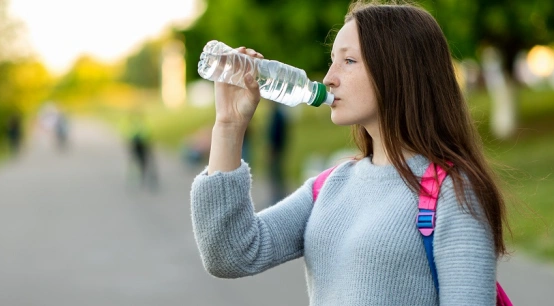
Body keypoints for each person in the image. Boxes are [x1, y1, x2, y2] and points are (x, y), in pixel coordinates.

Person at [189, 2, 509, 305]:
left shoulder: (453, 194)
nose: (328, 78)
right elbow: (229, 254)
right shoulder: (329, 186)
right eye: (332, 60)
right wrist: (229, 126)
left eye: (349, 61)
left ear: (398, 71)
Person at [266, 102, 289, 206]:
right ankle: (279, 196)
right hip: (279, 148)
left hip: (276, 149)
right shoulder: (279, 115)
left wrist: (272, 150)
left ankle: (278, 197)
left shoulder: (276, 116)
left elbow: (274, 135)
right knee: (277, 172)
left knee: (275, 173)